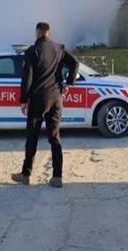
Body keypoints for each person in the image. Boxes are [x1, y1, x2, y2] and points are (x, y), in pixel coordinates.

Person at [12, 22, 79, 188]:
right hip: (56, 97)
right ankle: (57, 177)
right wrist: (68, 83)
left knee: (32, 137)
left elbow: (27, 77)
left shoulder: (32, 51)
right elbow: (75, 63)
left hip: (38, 99)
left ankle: (26, 174)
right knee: (55, 137)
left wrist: (24, 99)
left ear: (37, 32)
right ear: (49, 32)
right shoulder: (59, 48)